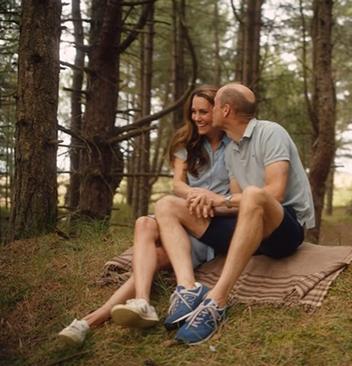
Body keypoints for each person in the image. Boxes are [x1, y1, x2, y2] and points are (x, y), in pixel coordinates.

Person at [57, 85, 232, 345]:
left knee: (155, 259)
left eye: (203, 112)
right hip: (181, 212)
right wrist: (196, 195)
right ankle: (142, 302)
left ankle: (90, 320)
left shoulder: (235, 144)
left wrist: (210, 200)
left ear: (218, 111)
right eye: (193, 112)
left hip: (206, 223)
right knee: (143, 223)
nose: (197, 117)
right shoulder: (187, 142)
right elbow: (178, 185)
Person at [153, 82, 315, 345]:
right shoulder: (231, 149)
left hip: (283, 228)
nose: (207, 112)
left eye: (213, 106)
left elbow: (275, 193)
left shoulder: (271, 133)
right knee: (167, 205)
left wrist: (219, 199)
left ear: (225, 110)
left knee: (253, 194)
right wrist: (207, 203)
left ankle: (216, 301)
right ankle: (188, 288)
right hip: (247, 229)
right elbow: (233, 202)